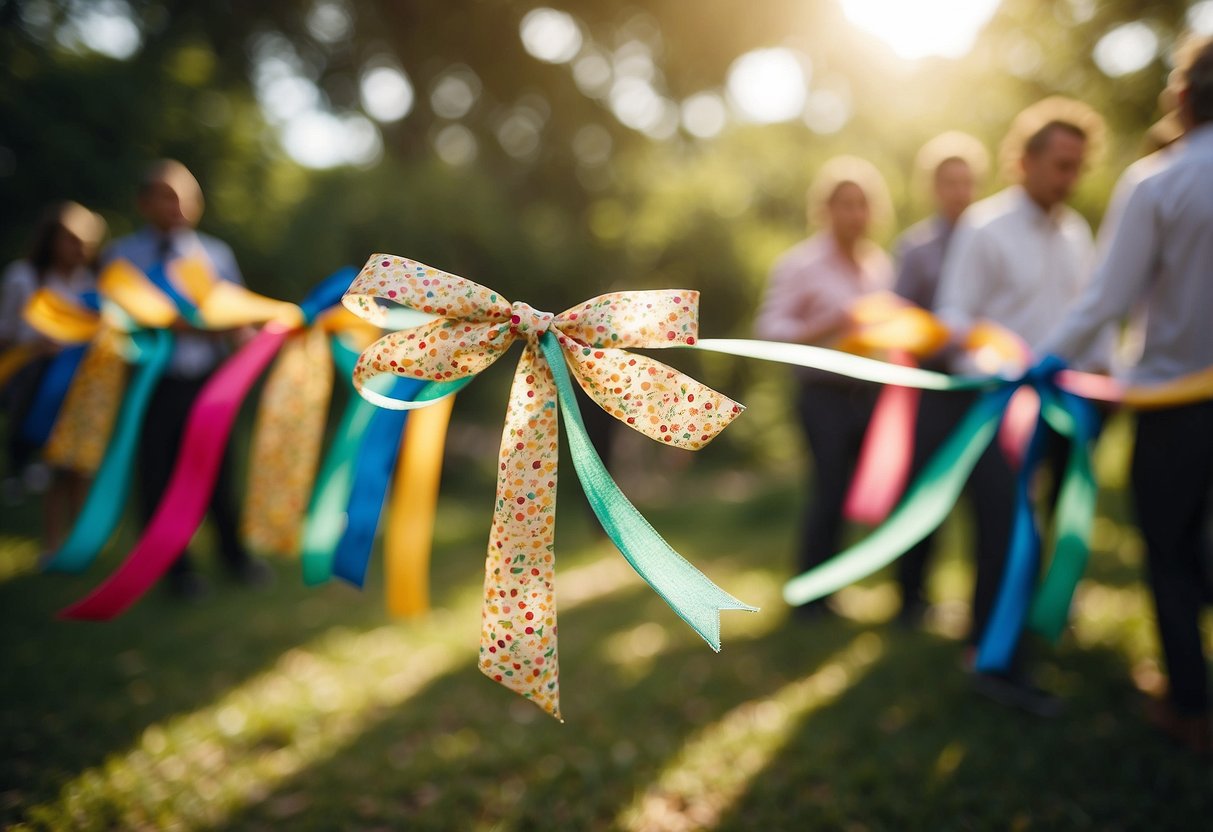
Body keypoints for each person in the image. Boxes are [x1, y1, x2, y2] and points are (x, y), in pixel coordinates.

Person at [1039, 36, 1213, 755]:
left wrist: (1042, 363)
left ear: (1178, 97)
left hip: (1174, 408)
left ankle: (1190, 709)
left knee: (1170, 554)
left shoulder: (1156, 181)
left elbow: (1103, 299)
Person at [932, 97, 1113, 715]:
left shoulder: (1076, 232)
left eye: (1077, 168)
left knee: (1059, 519)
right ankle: (991, 655)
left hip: (1069, 406)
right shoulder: (983, 227)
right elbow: (954, 317)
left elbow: (1090, 314)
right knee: (1006, 530)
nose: (1070, 179)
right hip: (1000, 409)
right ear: (1025, 160)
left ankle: (1038, 626)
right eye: (1061, 164)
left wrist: (1105, 373)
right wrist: (997, 364)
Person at [103, 160, 268, 599]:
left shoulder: (215, 255)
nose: (178, 205)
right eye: (166, 195)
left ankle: (235, 558)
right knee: (157, 475)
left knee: (219, 471)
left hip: (210, 381)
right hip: (153, 385)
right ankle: (177, 570)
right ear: (144, 203)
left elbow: (236, 315)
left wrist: (259, 338)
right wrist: (173, 323)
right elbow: (115, 320)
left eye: (186, 196)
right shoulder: (123, 257)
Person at [755, 156, 895, 620]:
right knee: (829, 489)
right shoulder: (800, 264)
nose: (854, 214)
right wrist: (826, 324)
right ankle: (809, 598)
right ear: (826, 209)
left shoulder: (879, 266)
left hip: (869, 393)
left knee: (858, 493)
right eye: (845, 204)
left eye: (862, 205)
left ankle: (831, 588)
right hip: (821, 393)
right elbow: (769, 329)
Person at [891, 132, 989, 626]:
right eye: (949, 181)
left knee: (988, 497)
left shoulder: (992, 237)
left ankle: (984, 606)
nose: (958, 190)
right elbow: (899, 318)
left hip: (986, 390)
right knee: (924, 489)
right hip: (932, 387)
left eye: (967, 181)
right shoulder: (915, 248)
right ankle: (910, 599)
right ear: (934, 186)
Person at [0, 202, 106, 547]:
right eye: (72, 240)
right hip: (35, 383)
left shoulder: (91, 284)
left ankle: (80, 538)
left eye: (87, 242)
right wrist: (36, 346)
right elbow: (6, 333)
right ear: (52, 239)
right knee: (56, 464)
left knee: (78, 465)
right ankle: (53, 539)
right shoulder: (24, 277)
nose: (80, 249)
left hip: (80, 387)